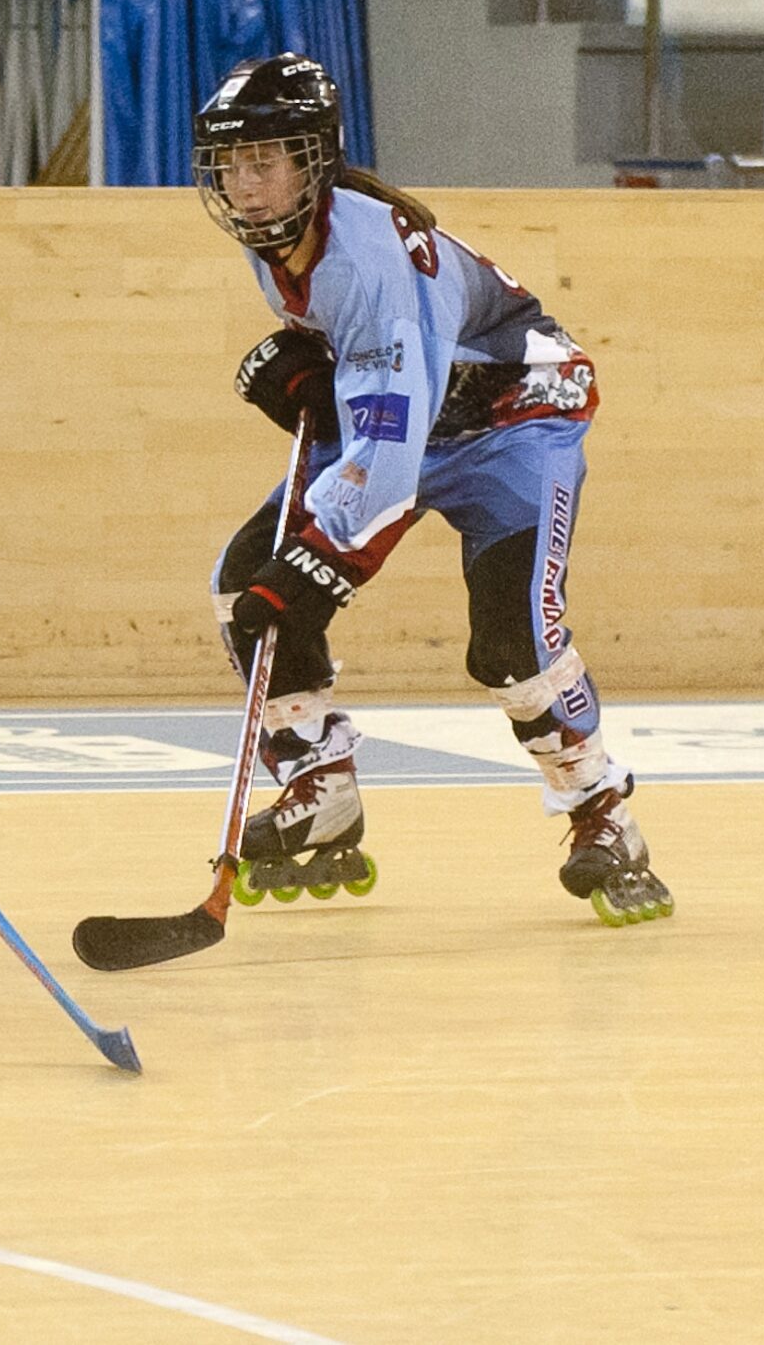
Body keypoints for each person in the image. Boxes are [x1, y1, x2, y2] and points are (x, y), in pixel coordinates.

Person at [194, 53, 673, 928]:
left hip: (516, 420)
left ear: (313, 161)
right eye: (231, 166)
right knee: (245, 582)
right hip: (420, 421)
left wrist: (315, 565)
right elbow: (381, 403)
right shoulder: (278, 249)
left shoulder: (370, 260)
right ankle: (318, 785)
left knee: (511, 645)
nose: (246, 186)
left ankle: (605, 812)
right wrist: (312, 384)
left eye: (265, 162)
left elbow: (386, 462)